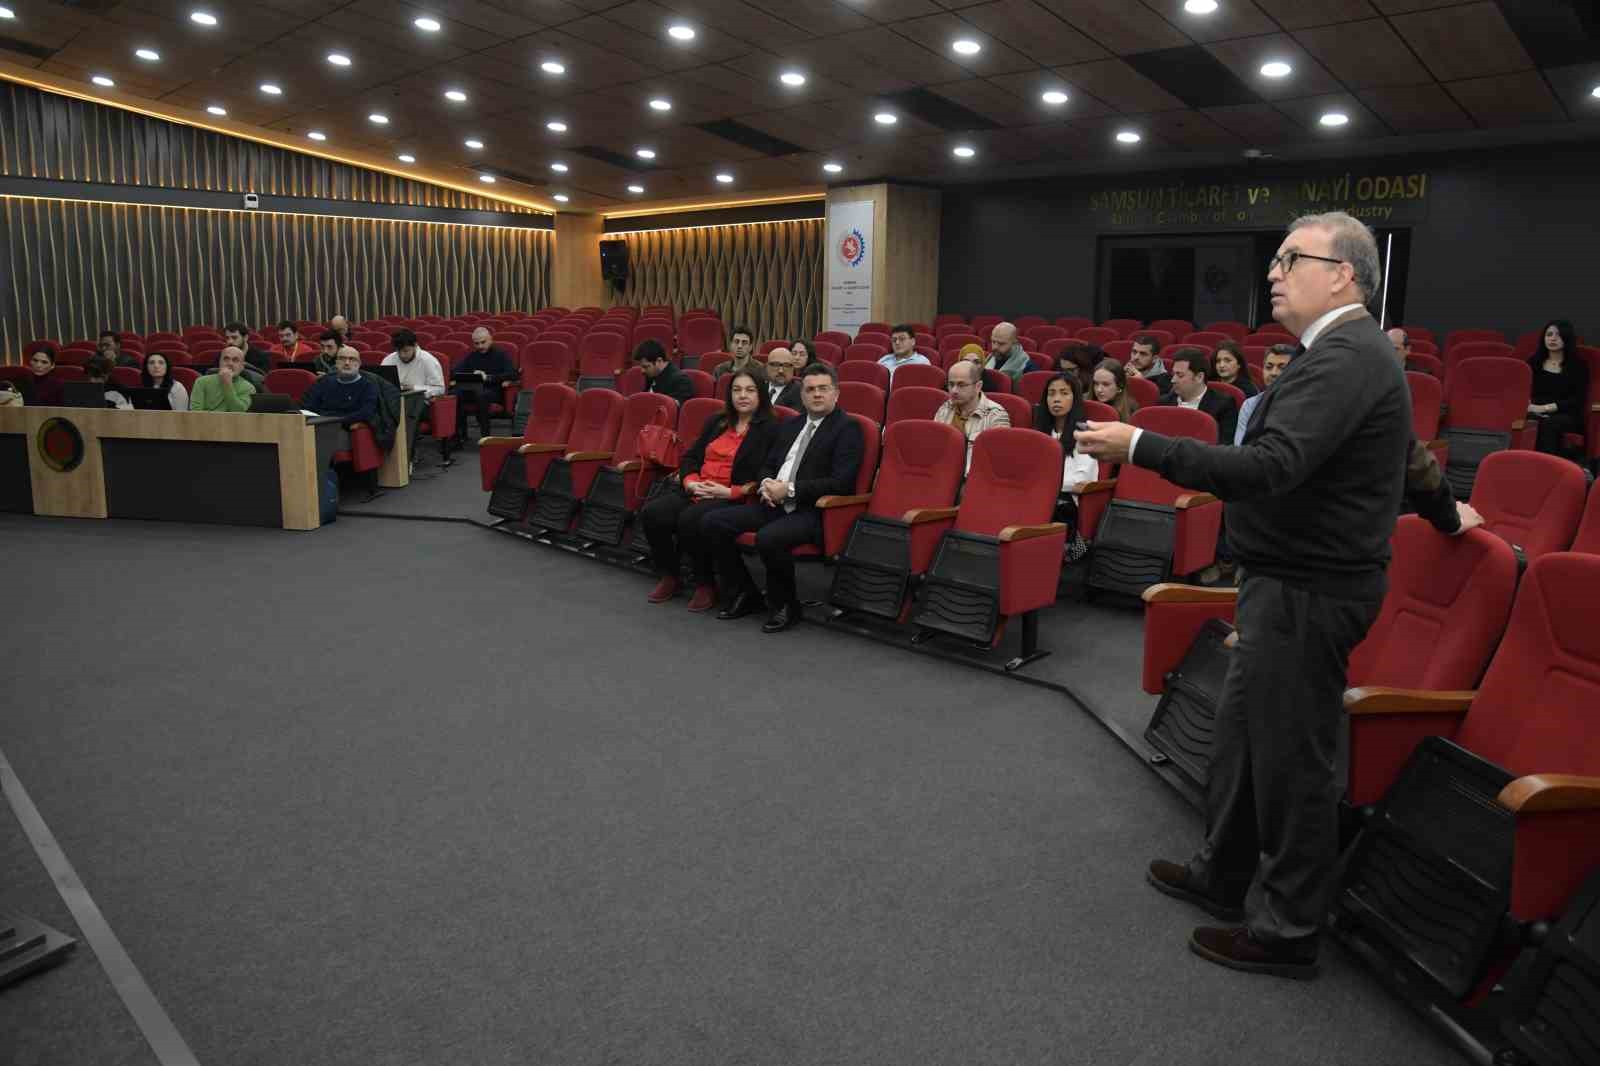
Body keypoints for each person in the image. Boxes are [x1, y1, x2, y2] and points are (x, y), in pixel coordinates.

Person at [1076, 210, 1485, 980]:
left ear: (1345, 274)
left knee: (1293, 761)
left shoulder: (1346, 356)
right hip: (1284, 582)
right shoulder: (1339, 354)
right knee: (1243, 738)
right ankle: (1223, 875)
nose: (1272, 271)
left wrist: (1143, 446)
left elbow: (1268, 468)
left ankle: (1289, 929)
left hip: (1311, 590)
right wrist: (1442, 510)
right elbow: (1406, 457)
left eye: (1290, 258)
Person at [703, 362, 864, 633]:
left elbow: (841, 483)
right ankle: (746, 593)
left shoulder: (848, 428)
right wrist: (766, 483)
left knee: (769, 538)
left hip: (813, 512)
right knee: (712, 522)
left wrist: (788, 489)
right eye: (810, 389)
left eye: (823, 389)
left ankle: (786, 605)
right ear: (802, 395)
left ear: (836, 393)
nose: (816, 395)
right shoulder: (792, 424)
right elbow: (769, 463)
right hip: (774, 503)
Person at [640, 369, 780, 612]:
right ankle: (671, 575)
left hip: (732, 495)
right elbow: (691, 457)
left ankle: (705, 583)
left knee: (690, 519)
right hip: (698, 487)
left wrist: (730, 492)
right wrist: (691, 482)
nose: (742, 396)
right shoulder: (717, 421)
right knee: (652, 513)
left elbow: (768, 473)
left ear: (761, 395)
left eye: (750, 390)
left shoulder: (770, 429)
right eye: (737, 390)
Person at [1034, 372, 1098, 539]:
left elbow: (1081, 481)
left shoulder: (1085, 436)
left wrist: (1042, 485)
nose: (1056, 399)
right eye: (1051, 393)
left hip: (1066, 504)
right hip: (1036, 496)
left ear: (1075, 399)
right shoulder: (1039, 433)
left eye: (1064, 393)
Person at [1526, 318, 1589, 458]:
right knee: (1527, 420)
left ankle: (1548, 467)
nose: (1552, 339)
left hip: (1566, 414)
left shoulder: (1578, 366)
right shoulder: (1533, 362)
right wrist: (1529, 405)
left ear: (1567, 339)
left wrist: (1544, 408)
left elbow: (1576, 401)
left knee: (1549, 424)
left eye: (1558, 335)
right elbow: (1523, 389)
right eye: (1549, 335)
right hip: (1535, 410)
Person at [935, 358, 1010, 471]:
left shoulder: (996, 415)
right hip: (940, 472)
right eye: (951, 384)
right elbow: (934, 446)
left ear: (978, 386)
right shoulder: (945, 407)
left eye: (961, 385)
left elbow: (996, 462)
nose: (954, 390)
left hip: (974, 478)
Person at [383, 329, 445, 458]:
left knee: (408, 413)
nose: (402, 355)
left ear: (415, 346)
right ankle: (387, 456)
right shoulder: (389, 360)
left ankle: (407, 456)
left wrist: (414, 387)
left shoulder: (428, 360)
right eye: (399, 351)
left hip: (421, 402)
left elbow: (440, 389)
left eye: (406, 351)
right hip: (395, 400)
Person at [450, 327, 517, 442]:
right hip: (473, 389)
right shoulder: (472, 356)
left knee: (481, 395)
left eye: (483, 342)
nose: (480, 346)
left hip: (493, 390)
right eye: (476, 343)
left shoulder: (501, 355)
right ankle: (457, 437)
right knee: (454, 394)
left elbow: (512, 374)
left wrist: (488, 377)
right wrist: (470, 375)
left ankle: (485, 437)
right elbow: (455, 372)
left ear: (490, 339)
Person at [1160, 348, 1237, 444]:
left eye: (1180, 375)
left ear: (1199, 377)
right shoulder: (1163, 402)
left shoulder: (1224, 405)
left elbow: (1224, 447)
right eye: (1173, 374)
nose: (1173, 380)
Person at [303, 346, 380, 433]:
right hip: (317, 426)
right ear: (336, 363)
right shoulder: (323, 382)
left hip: (344, 429)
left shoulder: (368, 386)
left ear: (359, 364)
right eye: (342, 359)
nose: (347, 363)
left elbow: (366, 412)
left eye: (352, 359)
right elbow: (308, 407)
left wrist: (341, 421)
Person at [1235, 344, 1295, 445]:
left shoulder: (1303, 403)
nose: (1274, 373)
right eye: (1269, 367)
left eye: (1282, 368)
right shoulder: (1250, 405)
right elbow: (1240, 445)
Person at [190, 346, 257, 412]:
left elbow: (238, 412)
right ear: (220, 363)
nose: (230, 363)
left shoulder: (249, 388)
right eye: (226, 359)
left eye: (235, 360)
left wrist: (227, 384)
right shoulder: (201, 382)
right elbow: (195, 413)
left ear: (242, 366)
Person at [634, 340, 693, 405]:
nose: (642, 371)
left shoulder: (681, 381)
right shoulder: (652, 374)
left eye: (645, 367)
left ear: (659, 361)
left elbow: (673, 409)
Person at [1091, 358, 1138, 422]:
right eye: (1096, 384)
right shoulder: (1084, 402)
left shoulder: (1131, 409)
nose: (1099, 390)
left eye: (1106, 384)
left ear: (1119, 386)